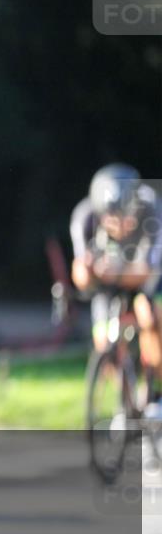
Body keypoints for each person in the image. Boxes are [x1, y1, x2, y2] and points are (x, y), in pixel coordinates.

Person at [70, 163, 162, 413]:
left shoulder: (151, 210)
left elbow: (148, 270)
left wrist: (117, 272)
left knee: (150, 316)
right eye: (111, 218)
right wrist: (88, 271)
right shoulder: (84, 217)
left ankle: (155, 396)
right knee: (104, 341)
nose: (119, 224)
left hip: (144, 279)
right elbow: (79, 274)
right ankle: (126, 403)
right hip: (107, 285)